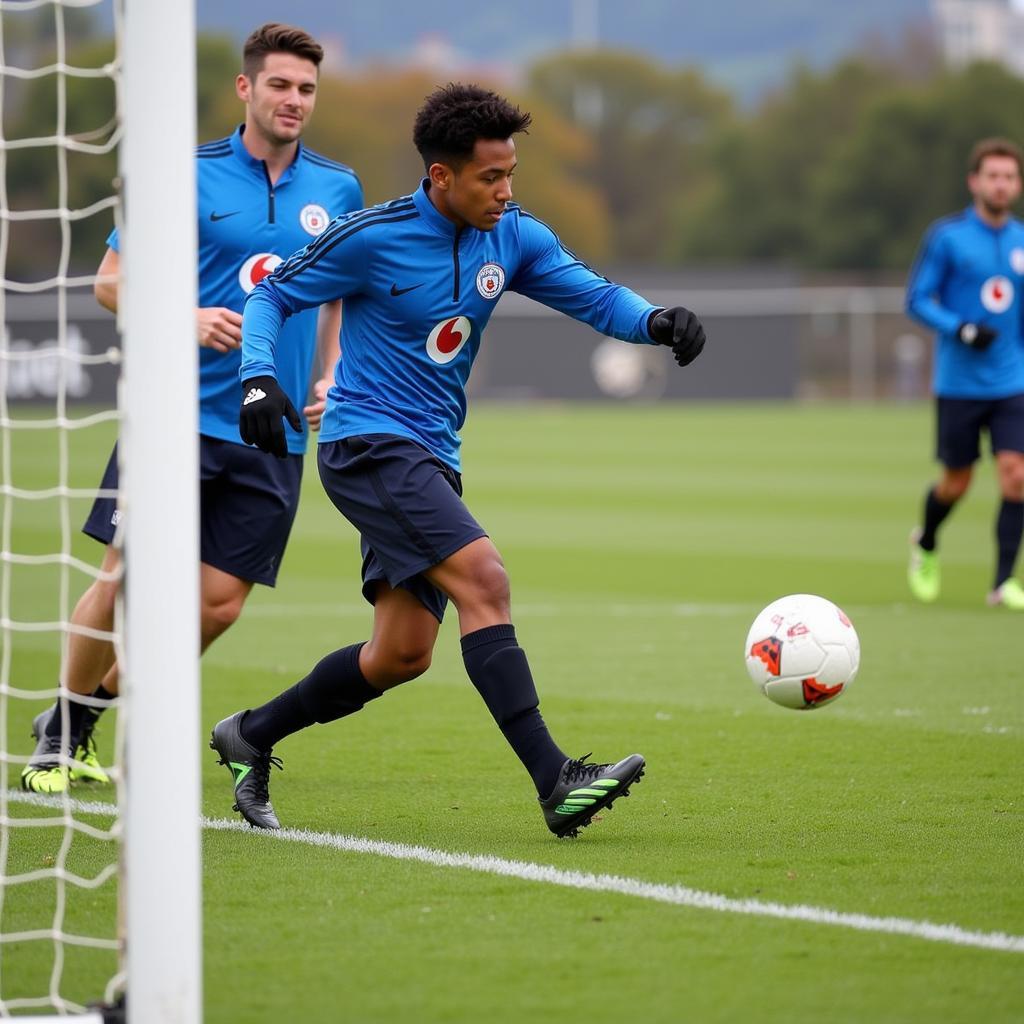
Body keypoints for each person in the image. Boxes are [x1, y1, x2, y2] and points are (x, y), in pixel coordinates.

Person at [209, 83, 706, 839]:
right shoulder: (371, 236)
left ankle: (252, 733)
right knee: (487, 580)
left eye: (511, 175)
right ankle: (556, 779)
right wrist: (257, 377)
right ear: (441, 176)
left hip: (432, 454)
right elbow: (273, 296)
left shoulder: (514, 236)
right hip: (366, 442)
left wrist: (657, 321)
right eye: (490, 178)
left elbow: (596, 299)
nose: (506, 192)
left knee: (401, 654)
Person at [21, 23, 363, 794]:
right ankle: (61, 740)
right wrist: (186, 318)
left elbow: (341, 293)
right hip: (174, 417)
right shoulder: (187, 174)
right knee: (122, 574)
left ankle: (85, 710)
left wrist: (333, 375)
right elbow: (110, 282)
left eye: (307, 88)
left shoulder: (338, 189)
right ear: (246, 88)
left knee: (216, 606)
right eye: (280, 85)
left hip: (269, 429)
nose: (294, 100)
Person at [905, 137, 1024, 610]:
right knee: (956, 482)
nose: (1001, 184)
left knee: (1016, 475)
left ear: (1016, 184)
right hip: (958, 383)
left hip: (1012, 381)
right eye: (992, 175)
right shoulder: (948, 237)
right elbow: (916, 299)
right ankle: (927, 542)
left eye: (1009, 176)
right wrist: (962, 328)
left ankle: (1002, 583)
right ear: (975, 182)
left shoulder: (1021, 241)